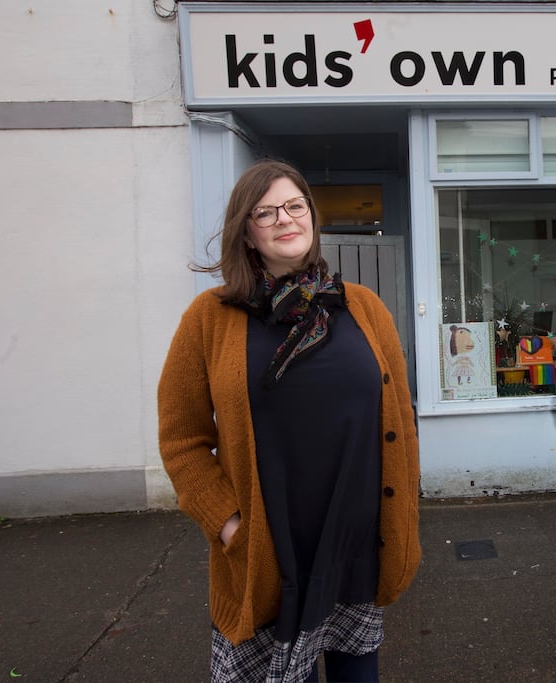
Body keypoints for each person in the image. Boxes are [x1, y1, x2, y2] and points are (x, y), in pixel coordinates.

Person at [157, 159, 421, 683]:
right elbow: (182, 440)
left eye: (295, 205)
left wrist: (404, 508)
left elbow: (401, 421)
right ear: (246, 233)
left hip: (353, 548)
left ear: (312, 217)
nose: (285, 219)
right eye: (265, 212)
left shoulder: (363, 308)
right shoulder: (209, 318)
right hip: (266, 556)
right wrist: (229, 525)